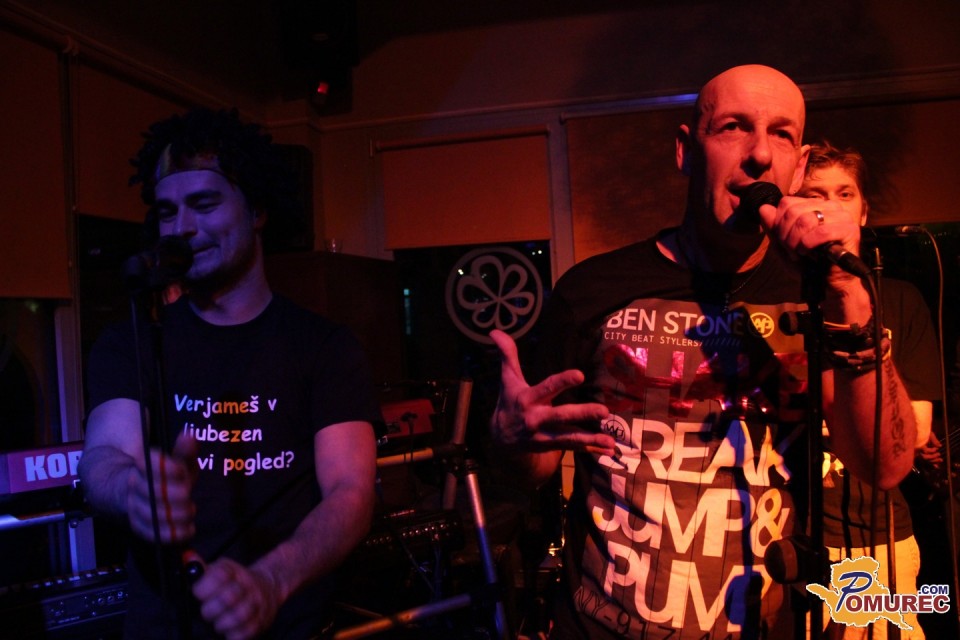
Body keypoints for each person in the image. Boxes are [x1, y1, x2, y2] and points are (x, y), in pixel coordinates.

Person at [489, 64, 918, 639]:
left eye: (781, 135)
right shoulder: (592, 289)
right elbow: (535, 467)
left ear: (798, 165)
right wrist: (511, 439)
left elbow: (885, 466)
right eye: (734, 127)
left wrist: (849, 294)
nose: (759, 154)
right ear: (687, 150)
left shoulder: (815, 294)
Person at [78, 108, 380, 639]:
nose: (182, 228)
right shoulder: (131, 341)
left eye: (205, 204)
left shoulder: (324, 347)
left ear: (256, 210)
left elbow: (350, 491)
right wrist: (133, 490)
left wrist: (270, 581)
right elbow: (103, 457)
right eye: (167, 212)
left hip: (287, 622)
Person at [799, 141, 940, 640]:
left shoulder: (898, 297)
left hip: (880, 537)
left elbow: (916, 431)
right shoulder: (776, 297)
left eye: (844, 194)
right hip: (792, 535)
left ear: (863, 211)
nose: (831, 207)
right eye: (815, 195)